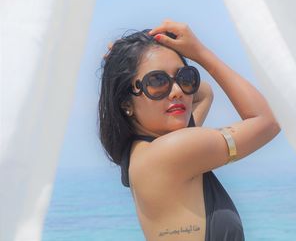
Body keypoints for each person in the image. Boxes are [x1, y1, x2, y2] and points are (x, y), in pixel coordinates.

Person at [98, 20, 281, 241]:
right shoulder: (172, 151)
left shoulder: (140, 154)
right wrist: (200, 54)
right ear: (126, 102)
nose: (176, 91)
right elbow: (267, 121)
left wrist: (127, 62)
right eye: (156, 81)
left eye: (184, 78)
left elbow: (203, 94)